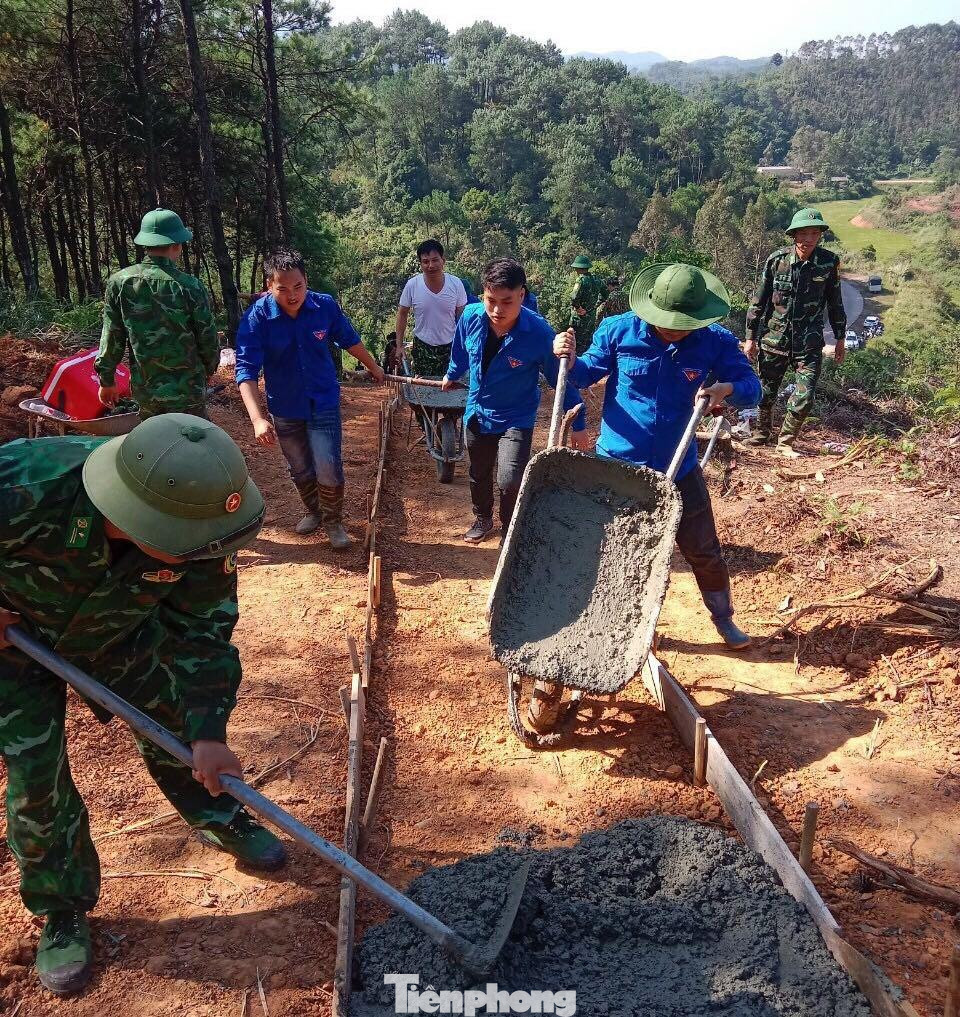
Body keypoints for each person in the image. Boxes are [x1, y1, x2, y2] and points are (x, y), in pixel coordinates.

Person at [0, 414, 282, 996]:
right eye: (179, 544)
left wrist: (209, 732)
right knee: (35, 775)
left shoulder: (205, 528)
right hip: (16, 642)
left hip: (118, 628)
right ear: (132, 513)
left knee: (176, 723)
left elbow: (204, 633)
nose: (192, 556)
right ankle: (61, 906)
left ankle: (219, 814)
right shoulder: (20, 484)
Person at [551, 263, 760, 722]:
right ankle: (595, 621)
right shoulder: (618, 330)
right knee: (603, 550)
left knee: (703, 547)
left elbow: (752, 387)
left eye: (683, 325)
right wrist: (561, 353)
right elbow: (581, 374)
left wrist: (727, 387)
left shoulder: (716, 342)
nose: (672, 331)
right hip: (617, 463)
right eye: (666, 321)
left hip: (678, 462)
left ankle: (723, 616)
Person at [235, 249, 385, 550]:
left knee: (327, 464)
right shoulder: (257, 318)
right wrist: (257, 418)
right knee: (299, 467)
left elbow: (349, 339)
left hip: (323, 401)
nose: (292, 295)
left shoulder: (324, 306)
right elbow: (246, 370)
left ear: (307, 281)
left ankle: (333, 521)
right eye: (283, 289)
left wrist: (373, 367)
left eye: (298, 287)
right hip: (285, 406)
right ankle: (313, 511)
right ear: (269, 286)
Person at [443, 258, 586, 544]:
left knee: (510, 479)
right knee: (478, 472)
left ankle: (510, 526)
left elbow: (561, 379)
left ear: (522, 294)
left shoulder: (539, 334)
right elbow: (460, 350)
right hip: (477, 411)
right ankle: (482, 518)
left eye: (507, 301)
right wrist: (452, 373)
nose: (497, 310)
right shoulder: (470, 317)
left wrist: (579, 421)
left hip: (516, 416)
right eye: (490, 300)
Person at [96, 208, 219, 419]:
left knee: (154, 444)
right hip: (188, 390)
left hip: (147, 390)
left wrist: (107, 380)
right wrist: (209, 368)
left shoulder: (120, 283)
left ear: (146, 244)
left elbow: (111, 336)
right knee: (193, 442)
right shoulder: (190, 286)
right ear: (177, 245)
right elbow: (207, 337)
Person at [744, 207, 846, 457]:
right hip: (773, 340)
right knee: (766, 393)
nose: (808, 239)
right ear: (793, 235)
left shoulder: (828, 262)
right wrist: (750, 339)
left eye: (813, 233)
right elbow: (759, 301)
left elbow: (835, 303)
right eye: (803, 233)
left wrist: (840, 339)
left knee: (805, 396)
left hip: (808, 344)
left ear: (820, 236)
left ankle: (785, 442)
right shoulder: (776, 261)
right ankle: (761, 434)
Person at [396, 239, 468, 377]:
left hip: (451, 347)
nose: (431, 265)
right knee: (424, 390)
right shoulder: (412, 285)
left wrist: (466, 344)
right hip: (423, 347)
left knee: (452, 389)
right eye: (425, 261)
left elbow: (463, 318)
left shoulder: (456, 284)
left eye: (435, 260)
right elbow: (402, 314)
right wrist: (399, 346)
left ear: (443, 261)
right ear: (420, 264)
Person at [568, 255, 606, 354]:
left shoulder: (581, 280)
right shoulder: (597, 280)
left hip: (579, 319)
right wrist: (595, 306)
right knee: (588, 343)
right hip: (591, 317)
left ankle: (575, 366)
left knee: (575, 344)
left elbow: (573, 298)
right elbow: (605, 294)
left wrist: (579, 308)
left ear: (578, 268)